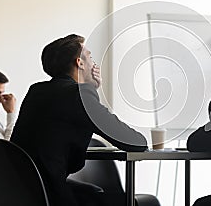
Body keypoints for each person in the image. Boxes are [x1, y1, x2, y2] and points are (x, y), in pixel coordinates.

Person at [10, 34, 148, 206]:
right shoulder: (78, 95)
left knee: (91, 192)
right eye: (90, 56)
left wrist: (89, 89)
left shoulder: (36, 91)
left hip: (21, 191)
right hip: (51, 195)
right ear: (79, 62)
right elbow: (135, 143)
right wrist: (89, 91)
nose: (93, 63)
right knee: (139, 202)